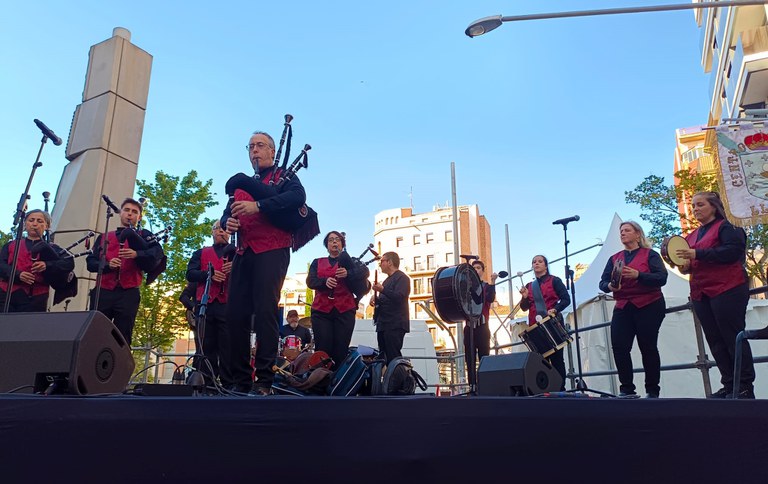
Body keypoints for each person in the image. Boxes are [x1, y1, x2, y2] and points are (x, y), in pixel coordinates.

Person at [222, 131, 306, 395]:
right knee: (235, 315)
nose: (255, 151)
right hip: (244, 251)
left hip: (272, 249)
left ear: (272, 151)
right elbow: (226, 215)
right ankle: (241, 379)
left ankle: (264, 380)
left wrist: (257, 205)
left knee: (265, 311)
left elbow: (297, 198)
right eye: (251, 147)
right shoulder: (240, 188)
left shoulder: (285, 177)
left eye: (260, 146)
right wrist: (228, 223)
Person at [677, 191, 754, 399]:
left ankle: (744, 386)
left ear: (714, 206)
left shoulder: (728, 227)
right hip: (702, 292)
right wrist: (685, 266)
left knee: (733, 336)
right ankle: (729, 384)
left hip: (727, 287)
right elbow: (692, 262)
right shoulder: (692, 235)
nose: (695, 209)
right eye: (693, 206)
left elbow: (733, 253)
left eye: (700, 204)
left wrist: (697, 254)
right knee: (715, 340)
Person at [599, 221, 668, 398]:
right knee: (619, 347)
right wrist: (609, 286)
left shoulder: (650, 255)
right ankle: (627, 388)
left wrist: (639, 275)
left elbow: (661, 278)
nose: (622, 233)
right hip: (623, 305)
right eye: (621, 231)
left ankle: (652, 390)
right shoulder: (614, 258)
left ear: (638, 234)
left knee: (648, 346)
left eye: (627, 230)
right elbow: (602, 282)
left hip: (649, 304)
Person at [86, 198, 165, 345]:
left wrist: (137, 254)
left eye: (134, 212)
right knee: (96, 333)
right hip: (103, 291)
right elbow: (90, 263)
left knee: (123, 336)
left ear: (139, 217)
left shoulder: (144, 235)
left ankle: (120, 367)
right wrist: (108, 265)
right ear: (120, 213)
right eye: (127, 210)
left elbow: (157, 255)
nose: (130, 214)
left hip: (128, 292)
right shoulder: (104, 237)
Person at [186, 221, 234, 390]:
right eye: (218, 229)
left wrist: (236, 269)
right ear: (212, 232)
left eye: (225, 229)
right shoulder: (200, 253)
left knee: (228, 346)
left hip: (228, 305)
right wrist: (209, 274)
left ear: (230, 234)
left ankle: (229, 385)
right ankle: (206, 383)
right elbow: (190, 273)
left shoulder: (237, 254)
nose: (221, 232)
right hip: (205, 304)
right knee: (205, 345)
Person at [0, 210, 74, 312]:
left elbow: (69, 263)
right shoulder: (11, 245)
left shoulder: (52, 248)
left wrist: (47, 265)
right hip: (6, 296)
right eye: (31, 220)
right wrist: (17, 274)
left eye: (40, 221)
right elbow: (1, 265)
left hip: (36, 299)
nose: (35, 224)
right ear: (25, 224)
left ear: (47, 226)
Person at [519, 255, 571, 390]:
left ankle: (560, 388)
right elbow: (524, 307)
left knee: (557, 359)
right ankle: (545, 389)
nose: (536, 263)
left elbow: (566, 299)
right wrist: (524, 298)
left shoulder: (555, 281)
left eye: (540, 261)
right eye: (534, 262)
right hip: (535, 327)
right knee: (540, 361)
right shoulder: (529, 286)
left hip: (551, 322)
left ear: (546, 266)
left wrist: (556, 309)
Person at [306, 231, 356, 369]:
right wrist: (324, 282)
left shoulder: (351, 261)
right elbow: (310, 281)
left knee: (341, 350)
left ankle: (339, 384)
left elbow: (363, 277)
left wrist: (349, 273)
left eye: (337, 239)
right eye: (330, 240)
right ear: (327, 246)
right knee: (323, 349)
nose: (334, 242)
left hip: (345, 310)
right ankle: (321, 382)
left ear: (342, 243)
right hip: (322, 311)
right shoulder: (317, 262)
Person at [371, 251, 410, 363]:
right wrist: (376, 299)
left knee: (393, 356)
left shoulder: (402, 278)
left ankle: (399, 379)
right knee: (384, 357)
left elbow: (399, 297)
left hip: (394, 323)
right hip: (383, 323)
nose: (380, 264)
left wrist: (382, 290)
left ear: (390, 262)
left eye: (382, 261)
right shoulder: (387, 280)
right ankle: (389, 379)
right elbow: (387, 299)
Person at [463, 260, 497, 389]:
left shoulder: (487, 286)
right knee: (469, 357)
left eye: (478, 268)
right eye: (474, 268)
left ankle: (484, 385)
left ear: (483, 270)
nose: (476, 270)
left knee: (484, 356)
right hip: (469, 326)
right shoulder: (465, 287)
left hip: (483, 326)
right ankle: (471, 385)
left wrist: (493, 283)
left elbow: (490, 298)